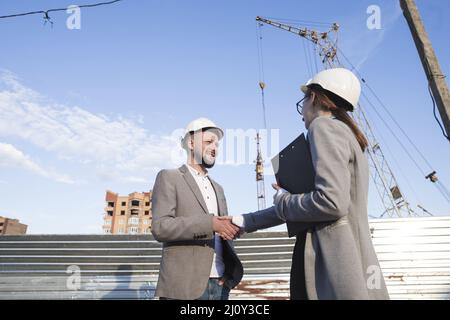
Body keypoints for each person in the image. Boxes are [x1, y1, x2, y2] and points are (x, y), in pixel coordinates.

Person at [233, 68, 390, 300]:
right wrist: (246, 221)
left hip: (332, 262)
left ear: (313, 97)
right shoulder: (348, 135)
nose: (302, 114)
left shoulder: (323, 127)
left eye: (302, 102)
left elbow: (331, 203)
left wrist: (284, 199)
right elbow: (309, 205)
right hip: (352, 262)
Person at [151, 117, 243, 300]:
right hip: (184, 287)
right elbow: (160, 227)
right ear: (191, 143)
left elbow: (220, 231)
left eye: (217, 144)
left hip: (220, 284)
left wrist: (229, 231)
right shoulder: (169, 177)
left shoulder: (219, 188)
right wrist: (210, 223)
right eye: (209, 141)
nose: (215, 148)